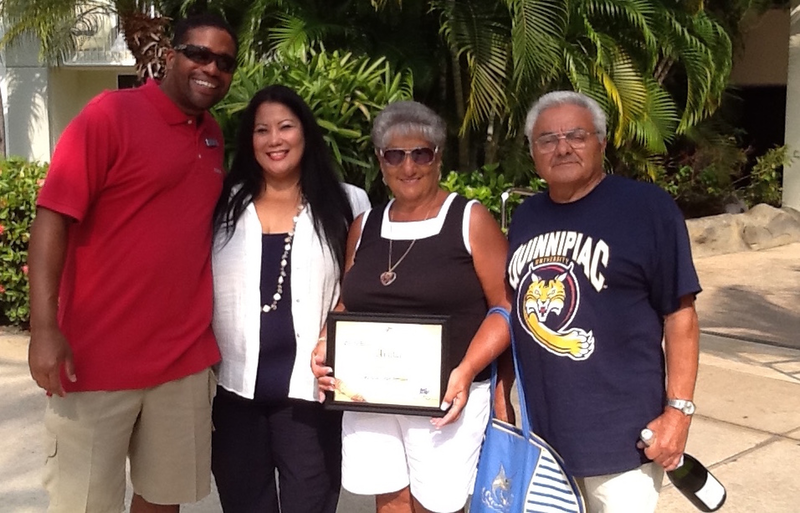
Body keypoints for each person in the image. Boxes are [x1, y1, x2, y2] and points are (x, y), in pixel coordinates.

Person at [26, 13, 238, 513]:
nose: (211, 68)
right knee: (83, 506)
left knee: (164, 501)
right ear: (170, 55)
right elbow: (52, 219)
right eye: (199, 54)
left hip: (181, 364)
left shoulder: (212, 135)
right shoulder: (109, 116)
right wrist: (43, 329)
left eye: (225, 62)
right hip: (95, 362)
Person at [506, 90, 702, 513]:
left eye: (576, 135)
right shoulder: (526, 217)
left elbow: (680, 315)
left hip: (623, 441)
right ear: (532, 151)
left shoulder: (647, 209)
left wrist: (678, 413)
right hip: (544, 440)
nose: (562, 147)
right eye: (547, 139)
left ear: (602, 141)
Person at [313, 100, 512, 513]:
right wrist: (325, 341)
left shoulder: (469, 219)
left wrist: (467, 370)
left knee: (437, 506)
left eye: (420, 153)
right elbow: (351, 302)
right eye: (395, 155)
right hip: (370, 396)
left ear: (438, 158)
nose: (408, 166)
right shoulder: (364, 225)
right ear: (380, 162)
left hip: (445, 397)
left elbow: (504, 308)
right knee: (389, 501)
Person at [210, 84, 370, 513]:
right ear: (250, 140)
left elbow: (362, 288)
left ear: (306, 132)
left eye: (285, 127)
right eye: (262, 130)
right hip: (234, 394)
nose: (274, 140)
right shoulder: (223, 203)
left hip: (311, 397)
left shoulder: (348, 203)